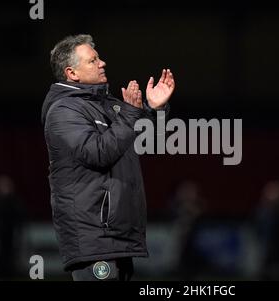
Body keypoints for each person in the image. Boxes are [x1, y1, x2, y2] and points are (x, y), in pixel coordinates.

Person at [41, 34, 175, 281]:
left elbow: (143, 138)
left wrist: (154, 109)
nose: (102, 63)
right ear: (72, 73)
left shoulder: (106, 104)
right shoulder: (63, 111)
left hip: (116, 236)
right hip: (94, 237)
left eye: (99, 58)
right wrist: (130, 113)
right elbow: (98, 153)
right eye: (92, 61)